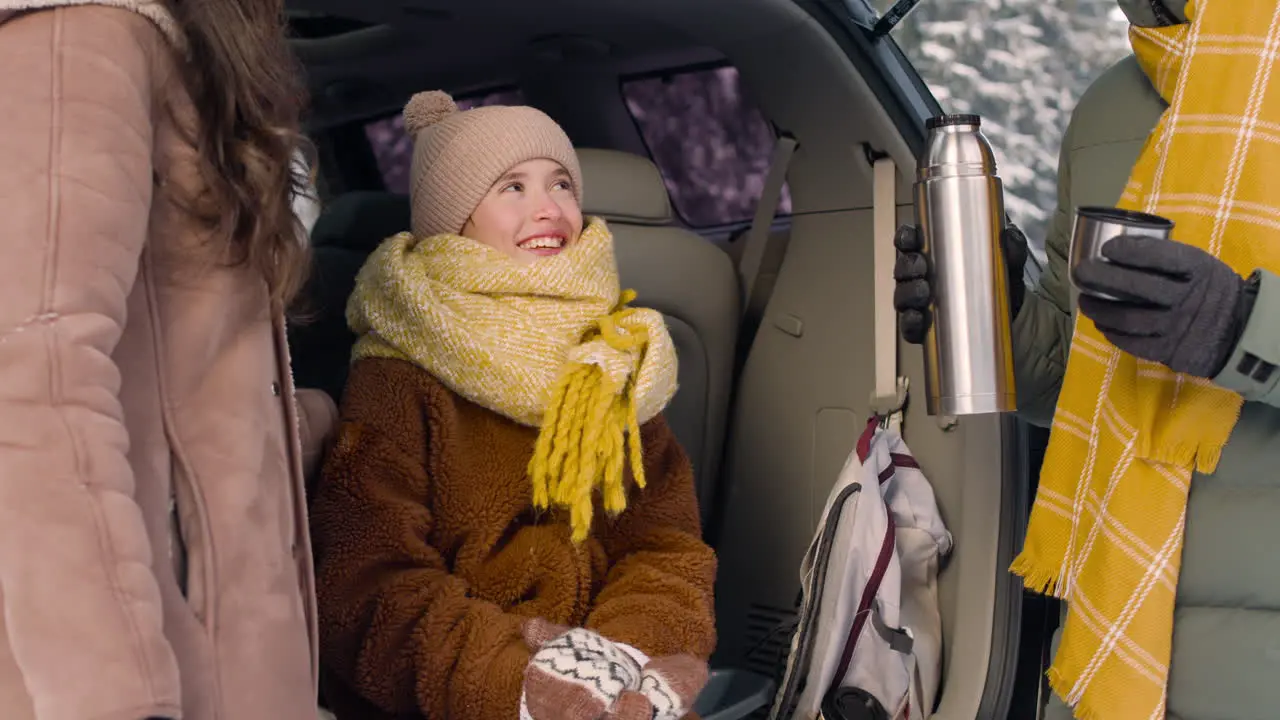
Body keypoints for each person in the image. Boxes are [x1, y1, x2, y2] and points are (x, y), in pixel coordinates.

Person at [895, 1, 1280, 719]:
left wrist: (1245, 330)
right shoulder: (1110, 105)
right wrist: (999, 313)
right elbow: (1081, 381)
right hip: (1103, 659)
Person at [308, 90, 717, 720]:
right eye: (512, 187)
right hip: (465, 694)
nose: (549, 208)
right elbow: (367, 584)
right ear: (454, 219)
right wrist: (522, 688)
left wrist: (625, 659)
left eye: (561, 184)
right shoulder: (398, 375)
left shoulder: (610, 359)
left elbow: (664, 547)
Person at [0, 1, 337, 719]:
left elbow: (197, 403)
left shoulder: (155, 50)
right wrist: (117, 700)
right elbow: (36, 372)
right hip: (153, 685)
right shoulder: (78, 33)